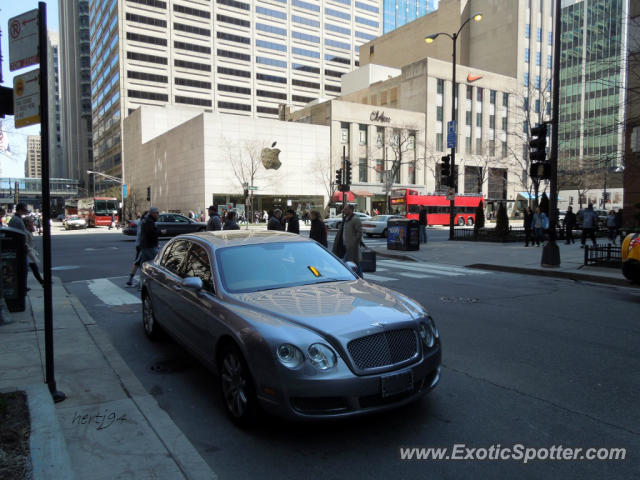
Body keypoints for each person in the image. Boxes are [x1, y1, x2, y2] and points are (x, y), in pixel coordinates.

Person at [334, 204, 363, 276]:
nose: (343, 210)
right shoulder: (346, 218)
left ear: (351, 210)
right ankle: (360, 278)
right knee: (355, 264)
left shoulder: (355, 219)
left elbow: (359, 232)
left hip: (352, 247)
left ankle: (357, 278)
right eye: (344, 209)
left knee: (346, 264)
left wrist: (355, 244)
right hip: (346, 246)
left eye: (346, 209)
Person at [126, 210, 148, 286]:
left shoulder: (140, 221)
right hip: (142, 245)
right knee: (139, 263)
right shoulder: (144, 222)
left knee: (139, 262)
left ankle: (132, 280)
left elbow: (133, 222)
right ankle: (136, 282)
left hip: (139, 245)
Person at [23, 216, 44, 287]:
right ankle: (41, 282)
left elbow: (33, 230)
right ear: (27, 223)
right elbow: (25, 243)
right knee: (31, 269)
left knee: (33, 268)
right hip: (28, 253)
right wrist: (30, 252)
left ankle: (41, 282)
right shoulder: (25, 232)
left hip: (30, 252)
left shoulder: (28, 230)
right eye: (31, 221)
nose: (32, 223)